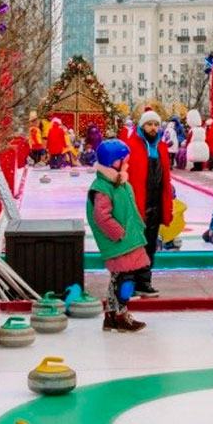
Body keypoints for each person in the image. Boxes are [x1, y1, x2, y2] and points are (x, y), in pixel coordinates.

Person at [86, 140, 150, 333]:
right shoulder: (103, 187)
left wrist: (138, 227)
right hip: (119, 241)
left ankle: (112, 316)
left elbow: (130, 211)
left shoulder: (120, 183)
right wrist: (118, 233)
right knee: (124, 280)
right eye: (125, 160)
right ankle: (120, 315)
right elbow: (100, 216)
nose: (128, 164)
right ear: (114, 162)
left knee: (121, 278)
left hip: (128, 239)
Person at [126, 109, 174, 297]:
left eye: (156, 124)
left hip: (155, 202)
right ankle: (129, 281)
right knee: (134, 244)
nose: (153, 128)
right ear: (142, 126)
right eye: (149, 124)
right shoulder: (131, 145)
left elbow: (166, 177)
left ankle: (144, 282)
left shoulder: (161, 147)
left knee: (150, 244)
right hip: (137, 202)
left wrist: (167, 200)